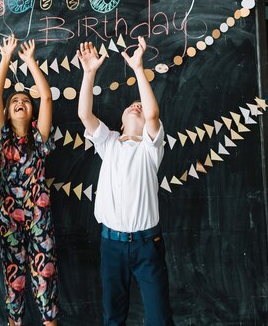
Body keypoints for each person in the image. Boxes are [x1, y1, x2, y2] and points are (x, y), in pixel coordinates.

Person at [76, 36, 174, 326]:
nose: (137, 107)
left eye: (140, 107)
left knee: (159, 318)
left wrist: (138, 68)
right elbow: (84, 113)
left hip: (147, 244)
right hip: (111, 244)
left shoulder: (150, 148)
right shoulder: (109, 143)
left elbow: (153, 112)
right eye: (131, 106)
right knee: (113, 317)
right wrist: (89, 73)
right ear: (119, 123)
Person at [0, 36, 59, 326]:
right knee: (13, 279)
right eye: (15, 101)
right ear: (8, 112)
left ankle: (49, 321)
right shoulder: (2, 136)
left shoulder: (39, 138)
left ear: (31, 113)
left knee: (45, 280)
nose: (20, 102)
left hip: (39, 215)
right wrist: (6, 57)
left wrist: (30, 61)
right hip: (9, 216)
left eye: (25, 102)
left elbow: (45, 96)